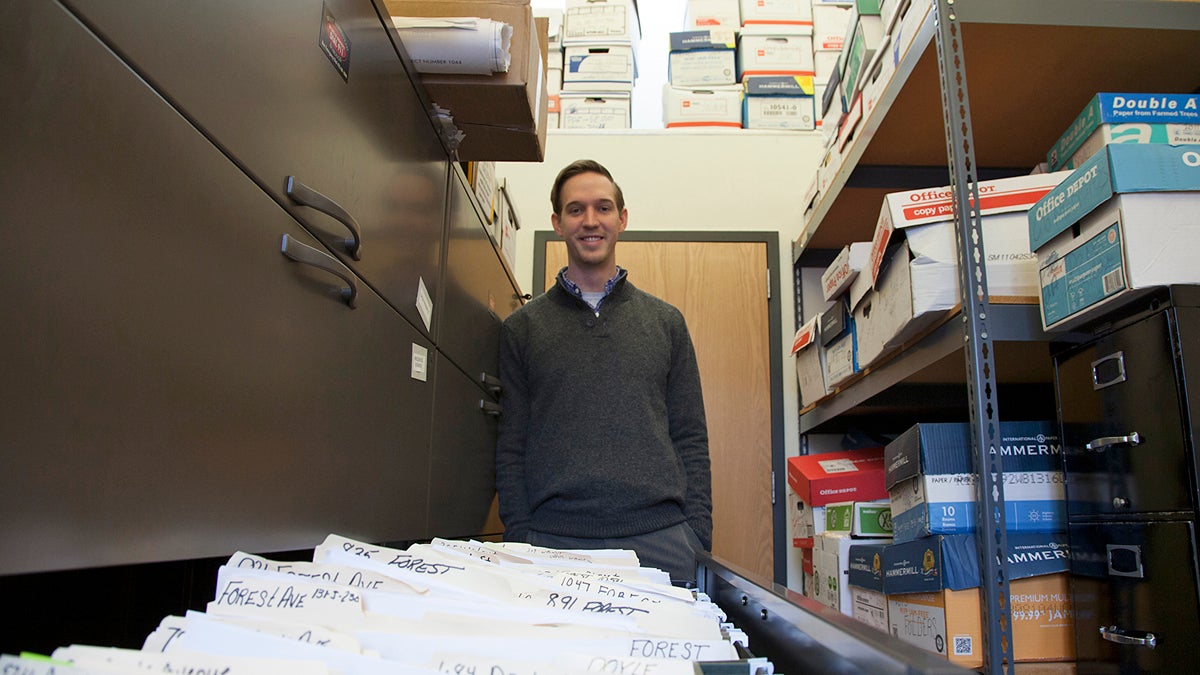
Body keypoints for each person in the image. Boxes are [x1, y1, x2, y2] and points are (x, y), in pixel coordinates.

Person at [494, 159, 713, 585]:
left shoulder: (666, 323)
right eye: (576, 210)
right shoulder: (522, 329)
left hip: (662, 541)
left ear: (622, 219)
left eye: (603, 207)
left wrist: (696, 535)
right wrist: (521, 535)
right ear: (557, 223)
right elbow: (511, 446)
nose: (590, 221)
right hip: (552, 543)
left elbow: (690, 436)